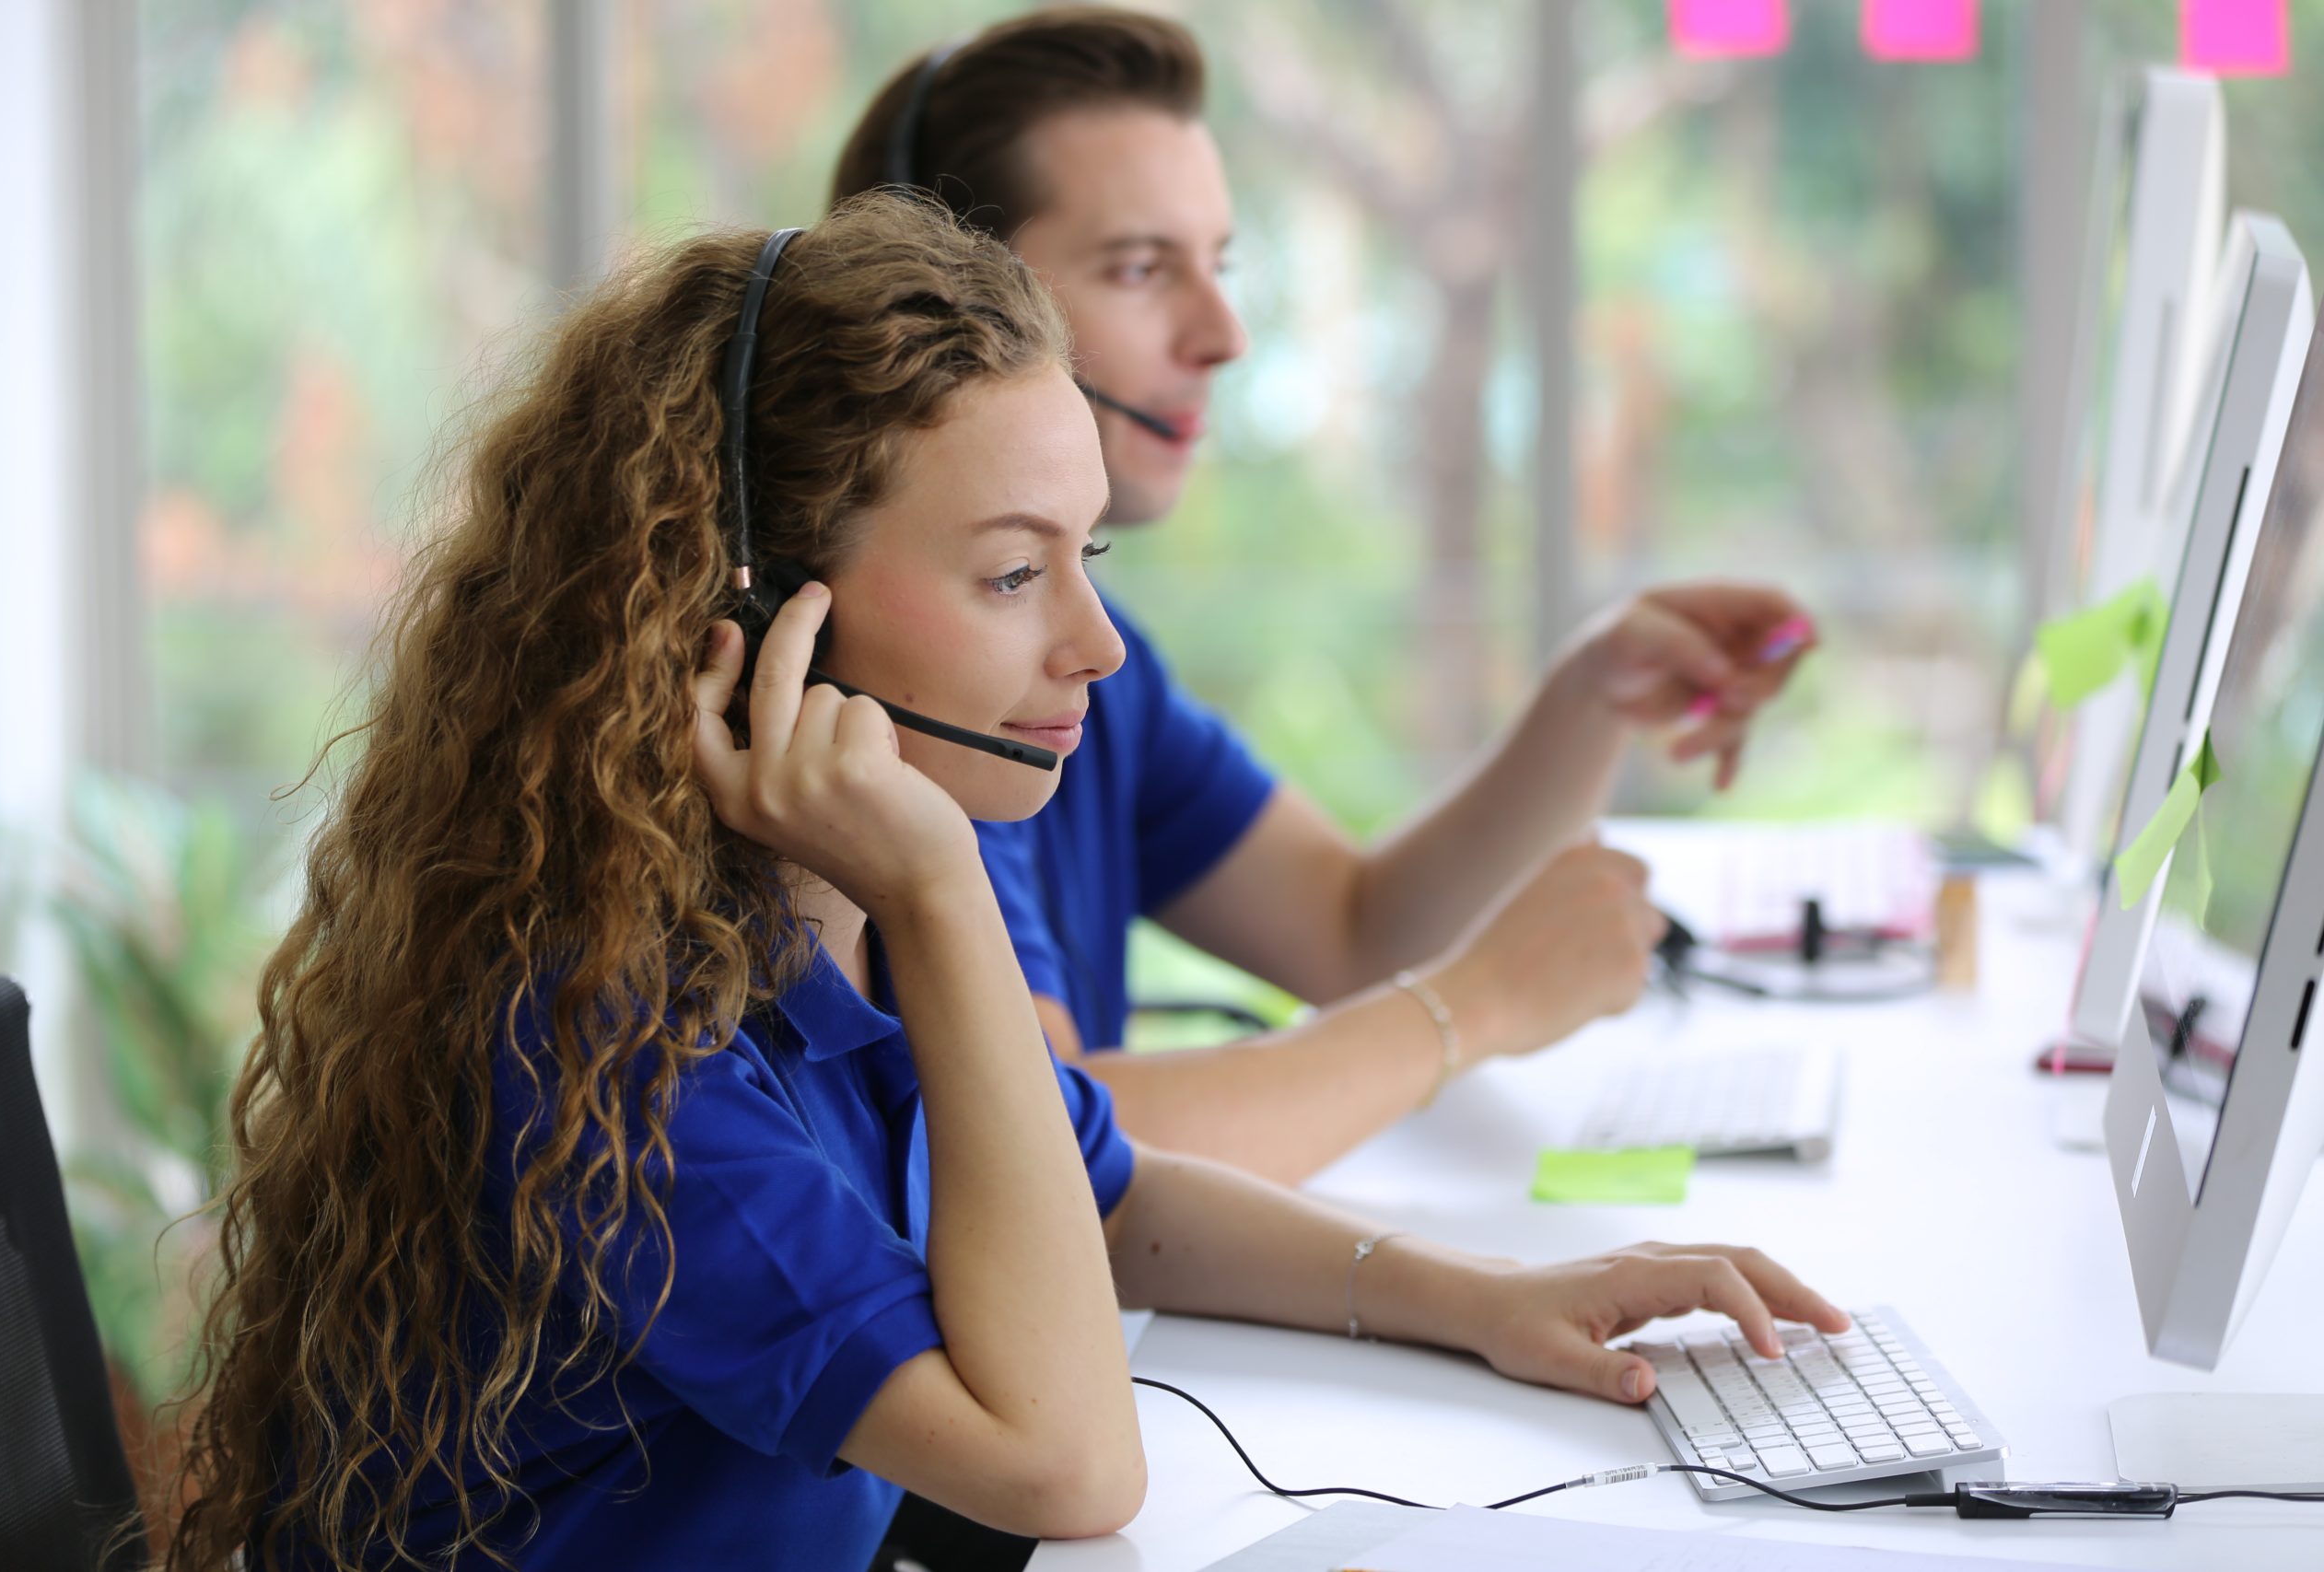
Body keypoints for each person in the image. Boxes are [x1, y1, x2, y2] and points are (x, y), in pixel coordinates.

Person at [160, 196, 1847, 1572]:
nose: (1093, 641)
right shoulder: (619, 1053)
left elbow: (1108, 1195)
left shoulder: (798, 933)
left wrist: (1483, 1301)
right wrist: (947, 891)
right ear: (752, 627)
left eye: (1085, 555)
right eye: (1012, 571)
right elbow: (1062, 1466)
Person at [833, 9, 1819, 1182]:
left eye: (1221, 264)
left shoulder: (1101, 662)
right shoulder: (909, 697)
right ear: (947, 312)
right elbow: (1038, 1147)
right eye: (1141, 269)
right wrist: (1474, 1008)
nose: (1226, 336)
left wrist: (1596, 694)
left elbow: (1350, 929)